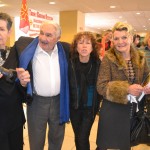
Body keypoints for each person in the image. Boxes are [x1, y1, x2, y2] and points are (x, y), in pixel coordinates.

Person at [15, 20, 70, 150]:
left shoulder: (65, 51)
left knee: (57, 138)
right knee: (36, 139)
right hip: (37, 103)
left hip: (58, 101)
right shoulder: (28, 51)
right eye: (41, 33)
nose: (42, 38)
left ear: (58, 38)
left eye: (48, 35)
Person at [96, 22, 150, 150]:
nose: (120, 41)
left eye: (124, 37)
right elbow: (101, 86)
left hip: (133, 110)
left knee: (126, 145)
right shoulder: (109, 58)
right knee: (104, 144)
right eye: (116, 38)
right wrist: (126, 89)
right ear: (113, 40)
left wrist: (147, 87)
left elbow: (146, 77)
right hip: (113, 109)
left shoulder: (141, 57)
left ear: (131, 38)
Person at [0, 12, 30, 150]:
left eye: (1, 29)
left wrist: (23, 83)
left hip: (14, 119)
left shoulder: (17, 55)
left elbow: (24, 93)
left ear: (9, 32)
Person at [69, 31, 101, 150]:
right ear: (76, 46)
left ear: (92, 48)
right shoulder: (70, 63)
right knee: (78, 137)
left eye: (88, 43)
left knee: (82, 137)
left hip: (90, 108)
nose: (84, 46)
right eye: (80, 42)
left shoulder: (98, 64)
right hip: (74, 107)